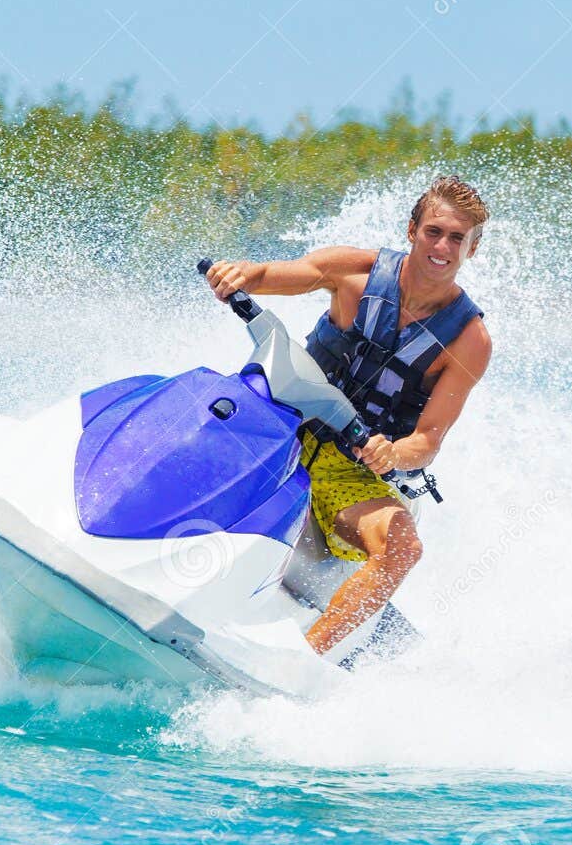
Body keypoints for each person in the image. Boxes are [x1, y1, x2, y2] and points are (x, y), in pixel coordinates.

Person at [204, 175, 492, 655]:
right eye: (433, 232)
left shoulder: (469, 341)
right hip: (282, 424)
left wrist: (392, 451)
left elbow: (428, 441)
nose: (442, 246)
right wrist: (239, 276)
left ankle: (304, 661)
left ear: (472, 249)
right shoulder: (353, 272)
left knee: (404, 549)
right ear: (411, 230)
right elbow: (271, 276)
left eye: (457, 238)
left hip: (351, 467)